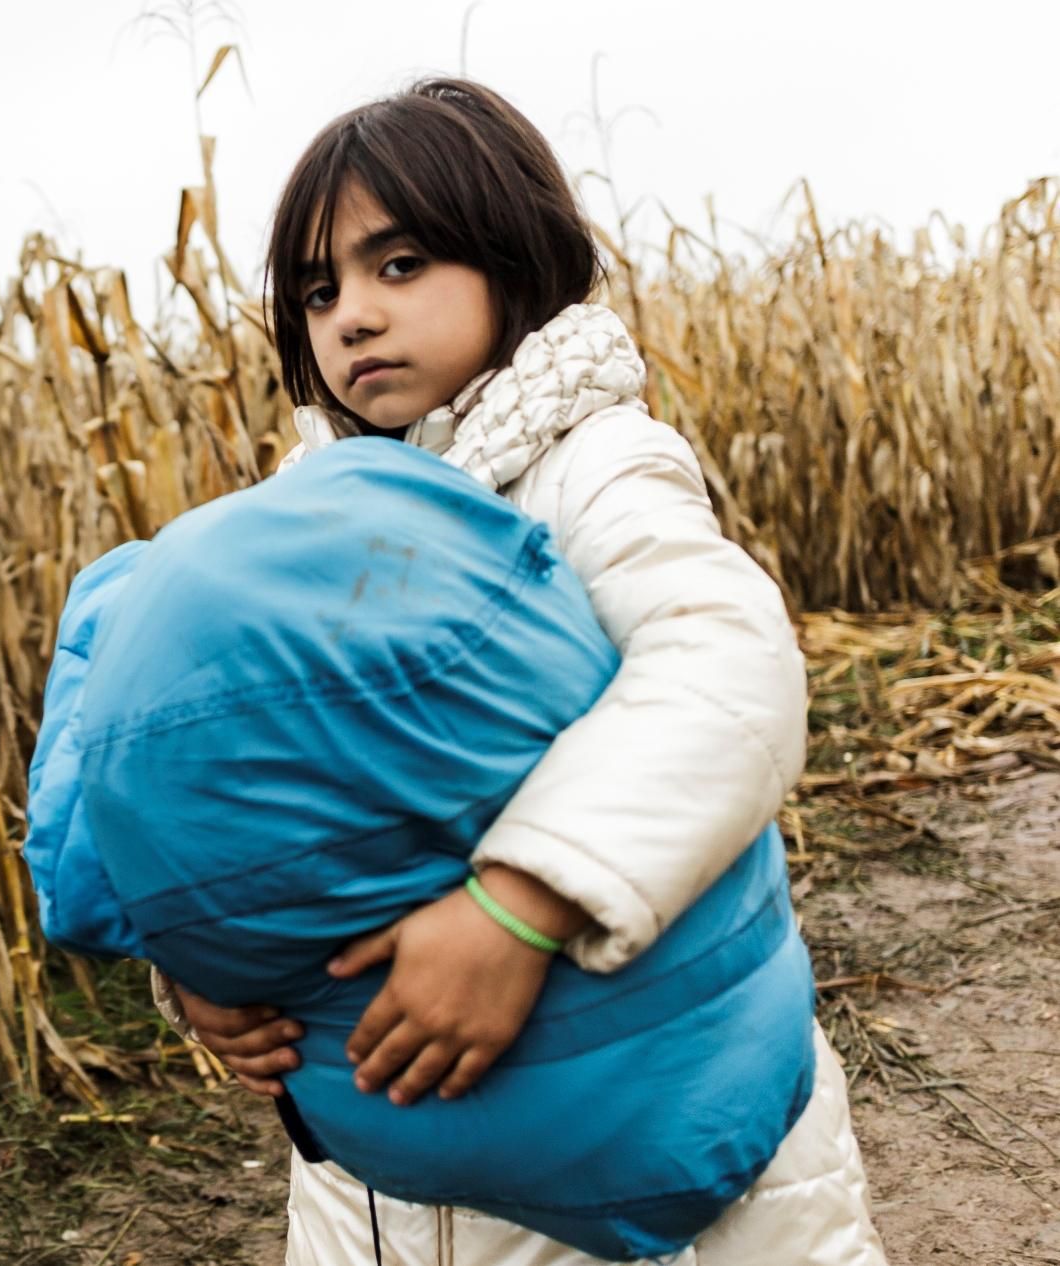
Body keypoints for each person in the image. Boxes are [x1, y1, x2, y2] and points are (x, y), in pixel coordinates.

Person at [123, 78, 888, 1263]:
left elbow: (724, 668)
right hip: (374, 1182)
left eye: (401, 263)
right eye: (318, 290)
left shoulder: (588, 467)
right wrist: (208, 965)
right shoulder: (297, 532)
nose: (353, 318)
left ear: (512, 255)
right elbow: (239, 770)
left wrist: (521, 903)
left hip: (636, 1120)